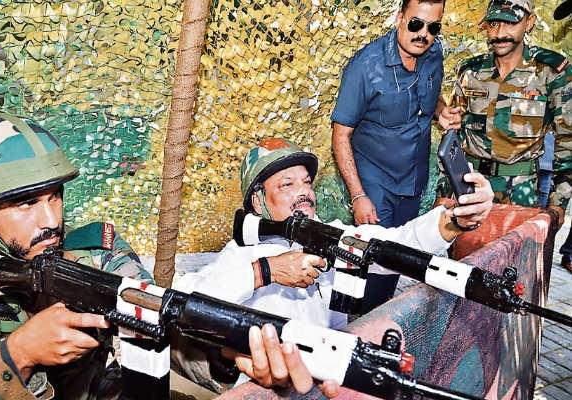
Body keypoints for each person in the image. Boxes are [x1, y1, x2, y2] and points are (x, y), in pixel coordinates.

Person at [0, 115, 319, 399]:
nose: (51, 221)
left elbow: (160, 323)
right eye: (26, 204)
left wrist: (226, 358)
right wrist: (19, 357)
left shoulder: (97, 251)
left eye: (55, 197)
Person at [173, 138, 493, 392]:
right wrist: (265, 271)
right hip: (268, 386)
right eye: (287, 185)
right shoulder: (241, 253)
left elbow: (396, 243)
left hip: (331, 375)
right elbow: (183, 299)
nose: (304, 192)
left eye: (306, 182)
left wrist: (454, 221)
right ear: (258, 202)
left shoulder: (329, 234)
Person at [331, 0, 462, 313]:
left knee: (395, 266)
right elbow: (341, 135)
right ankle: (355, 327)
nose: (423, 34)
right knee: (370, 267)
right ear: (399, 18)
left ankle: (380, 324)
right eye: (416, 24)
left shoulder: (434, 53)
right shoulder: (366, 66)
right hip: (375, 185)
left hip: (413, 182)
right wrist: (358, 195)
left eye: (433, 27)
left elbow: (432, 97)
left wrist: (442, 113)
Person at [445, 0, 572, 222]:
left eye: (510, 23)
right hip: (467, 187)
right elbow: (452, 135)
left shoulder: (551, 73)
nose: (500, 33)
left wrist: (558, 204)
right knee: (462, 245)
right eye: (493, 24)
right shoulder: (471, 72)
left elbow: (568, 141)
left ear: (529, 23)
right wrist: (443, 190)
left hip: (520, 193)